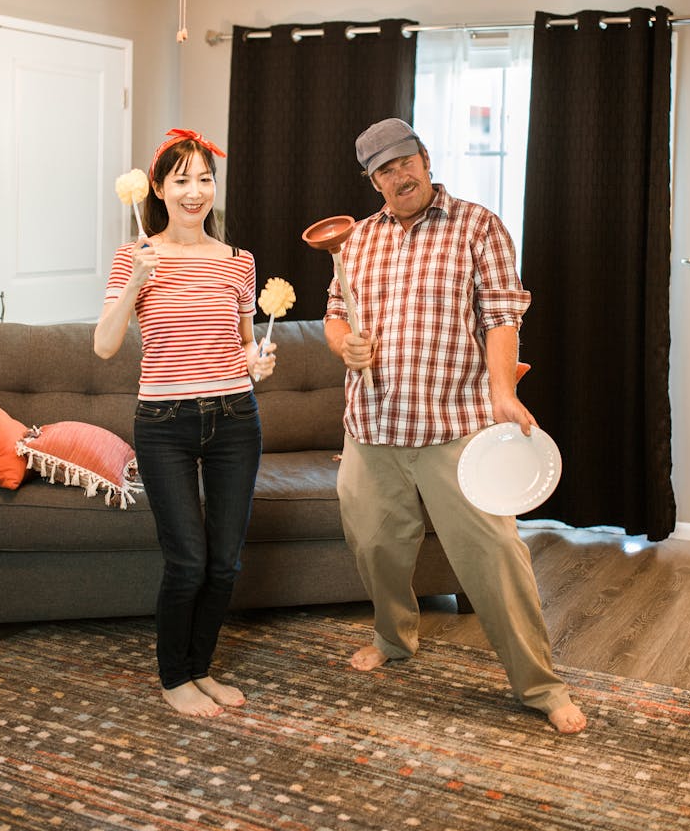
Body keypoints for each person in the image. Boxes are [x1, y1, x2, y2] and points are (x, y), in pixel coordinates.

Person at [324, 117, 587, 735]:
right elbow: (334, 312)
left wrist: (501, 392)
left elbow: (501, 316)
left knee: (495, 555)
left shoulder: (478, 226)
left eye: (406, 160)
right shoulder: (357, 241)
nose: (400, 174)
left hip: (456, 426)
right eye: (384, 169)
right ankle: (394, 640)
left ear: (425, 158)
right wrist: (344, 347)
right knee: (375, 546)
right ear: (372, 181)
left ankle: (540, 684)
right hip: (373, 425)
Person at [94, 128, 276, 719]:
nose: (195, 192)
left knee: (225, 561)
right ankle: (174, 676)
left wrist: (256, 362)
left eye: (205, 179)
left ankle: (200, 669)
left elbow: (243, 343)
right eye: (182, 180)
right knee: (188, 561)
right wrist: (137, 283)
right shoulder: (134, 255)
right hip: (164, 423)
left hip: (233, 418)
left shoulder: (238, 263)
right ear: (158, 189)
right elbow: (104, 345)